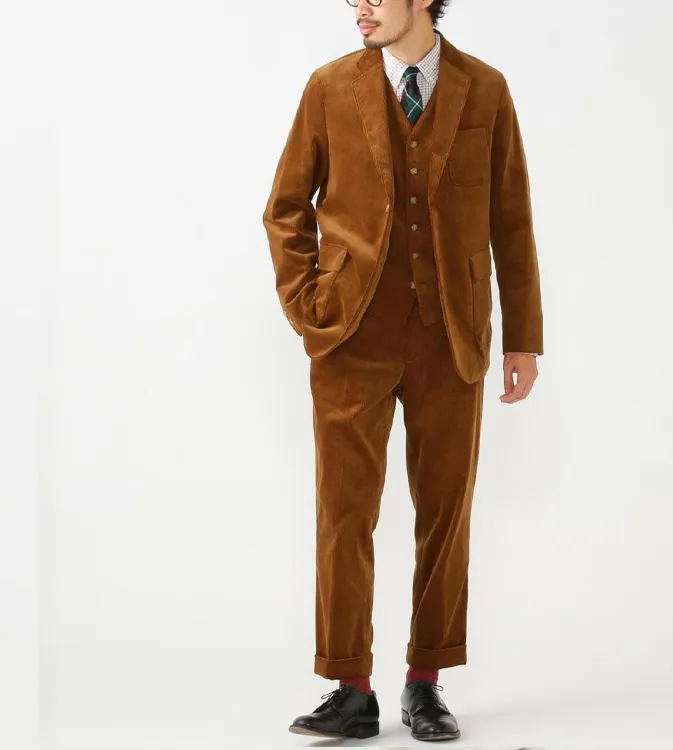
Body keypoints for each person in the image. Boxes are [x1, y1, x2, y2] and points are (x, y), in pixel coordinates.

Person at [262, 0, 543, 741]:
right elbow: (285, 208)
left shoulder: (486, 89)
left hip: (451, 335)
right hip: (349, 334)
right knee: (344, 511)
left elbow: (511, 217)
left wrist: (523, 339)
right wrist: (309, 304)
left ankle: (426, 682)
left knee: (445, 511)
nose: (360, 6)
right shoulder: (330, 86)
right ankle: (350, 687)